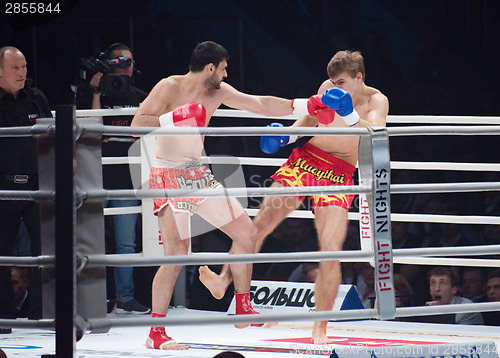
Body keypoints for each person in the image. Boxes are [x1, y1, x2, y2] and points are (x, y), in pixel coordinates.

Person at [199, 50, 389, 344]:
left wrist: (350, 114)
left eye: (341, 82)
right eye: (331, 82)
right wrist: (285, 137)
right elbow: (308, 121)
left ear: (358, 77)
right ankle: (224, 281)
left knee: (330, 251)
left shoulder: (377, 100)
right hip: (307, 159)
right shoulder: (327, 89)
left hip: (340, 171)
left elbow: (375, 134)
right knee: (259, 223)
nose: (334, 88)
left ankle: (320, 326)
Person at [130, 41, 301, 350]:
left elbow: (259, 104)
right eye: (223, 68)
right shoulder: (169, 86)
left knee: (247, 232)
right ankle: (156, 333)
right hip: (167, 174)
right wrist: (175, 117)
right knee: (177, 254)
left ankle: (242, 306)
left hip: (198, 174)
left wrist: (301, 106)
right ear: (209, 68)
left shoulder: (218, 92)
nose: (226, 73)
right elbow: (136, 125)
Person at [78, 43, 150, 315]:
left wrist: (116, 136)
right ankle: (91, 301)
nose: (126, 67)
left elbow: (141, 135)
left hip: (125, 178)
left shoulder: (143, 97)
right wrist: (96, 93)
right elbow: (92, 133)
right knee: (90, 241)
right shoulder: (92, 96)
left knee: (125, 243)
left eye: (129, 61)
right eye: (119, 62)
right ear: (109, 66)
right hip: (95, 176)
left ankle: (125, 299)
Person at [0, 46, 52, 325]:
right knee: (1, 252)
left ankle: (41, 310)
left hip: (36, 185)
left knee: (45, 249)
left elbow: (52, 138)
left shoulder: (36, 98)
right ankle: (4, 313)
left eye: (24, 67)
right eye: (15, 68)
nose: (22, 73)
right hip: (2, 188)